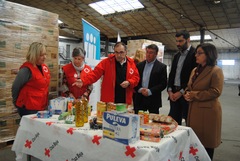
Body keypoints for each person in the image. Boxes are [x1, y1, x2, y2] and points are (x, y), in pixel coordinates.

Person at [184, 43, 224, 160]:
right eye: (196, 53)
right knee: (195, 142)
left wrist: (194, 95)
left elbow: (216, 91)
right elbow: (190, 86)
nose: (196, 55)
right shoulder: (195, 70)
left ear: (209, 54)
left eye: (199, 53)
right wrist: (187, 93)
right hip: (194, 110)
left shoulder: (216, 71)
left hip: (208, 112)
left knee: (206, 143)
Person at [12, 42, 51, 117]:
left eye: (45, 54)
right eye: (41, 55)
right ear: (34, 55)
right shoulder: (26, 69)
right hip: (28, 107)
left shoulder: (44, 67)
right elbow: (15, 87)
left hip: (40, 105)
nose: (44, 57)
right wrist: (16, 103)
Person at [167, 30, 197, 125]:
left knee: (190, 122)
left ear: (188, 40)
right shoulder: (176, 56)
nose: (178, 44)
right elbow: (172, 74)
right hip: (174, 94)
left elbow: (193, 78)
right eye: (176, 41)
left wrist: (181, 92)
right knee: (173, 123)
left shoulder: (195, 55)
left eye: (180, 41)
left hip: (186, 94)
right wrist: (170, 90)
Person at [134, 44, 167, 114]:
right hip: (140, 98)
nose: (148, 54)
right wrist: (140, 89)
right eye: (147, 52)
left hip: (153, 98)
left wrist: (150, 91)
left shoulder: (161, 67)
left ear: (156, 54)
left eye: (151, 53)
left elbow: (163, 84)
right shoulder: (139, 66)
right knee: (138, 120)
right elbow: (135, 80)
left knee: (154, 121)